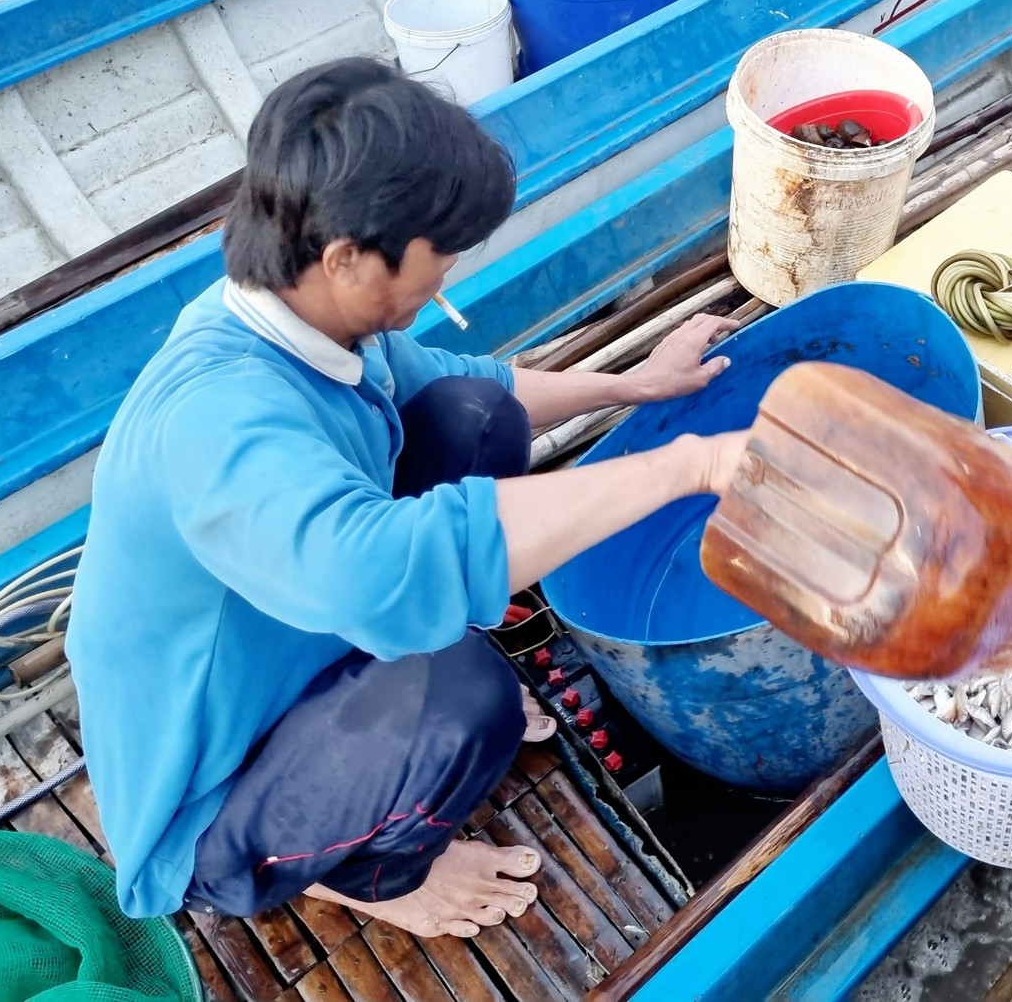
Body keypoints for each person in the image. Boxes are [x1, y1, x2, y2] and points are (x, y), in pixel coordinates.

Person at [66, 59, 748, 939]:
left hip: (306, 630)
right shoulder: (219, 421)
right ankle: (370, 874)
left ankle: (392, 720)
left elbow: (464, 380)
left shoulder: (306, 312)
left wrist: (635, 387)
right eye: (440, 251)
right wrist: (685, 466)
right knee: (464, 700)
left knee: (473, 417)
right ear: (345, 256)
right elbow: (389, 565)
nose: (451, 271)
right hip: (210, 782)